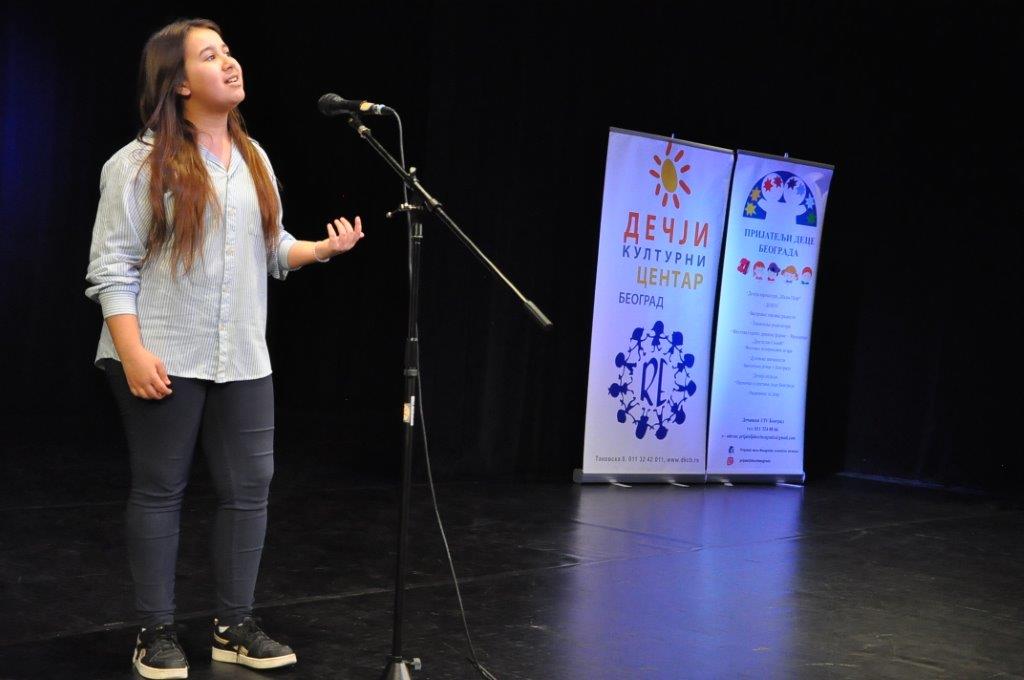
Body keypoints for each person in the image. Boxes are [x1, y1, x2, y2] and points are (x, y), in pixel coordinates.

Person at [84, 17, 364, 679]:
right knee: (161, 489)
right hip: (162, 350)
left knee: (250, 489)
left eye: (228, 51)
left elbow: (271, 247)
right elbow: (111, 268)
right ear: (179, 83)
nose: (230, 62)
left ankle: (233, 626)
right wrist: (132, 351)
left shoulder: (252, 157)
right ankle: (154, 632)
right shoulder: (135, 164)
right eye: (210, 56)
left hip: (241, 356)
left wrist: (320, 249)